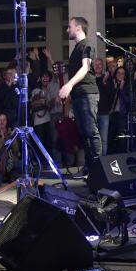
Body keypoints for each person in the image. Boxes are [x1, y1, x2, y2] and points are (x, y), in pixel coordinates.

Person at [58, 17, 102, 168]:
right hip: (79, 95)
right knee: (84, 134)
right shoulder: (77, 48)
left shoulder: (87, 45)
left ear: (78, 28)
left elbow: (85, 68)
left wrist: (69, 85)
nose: (67, 29)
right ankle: (90, 168)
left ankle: (97, 169)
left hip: (87, 93)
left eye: (69, 26)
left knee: (91, 131)